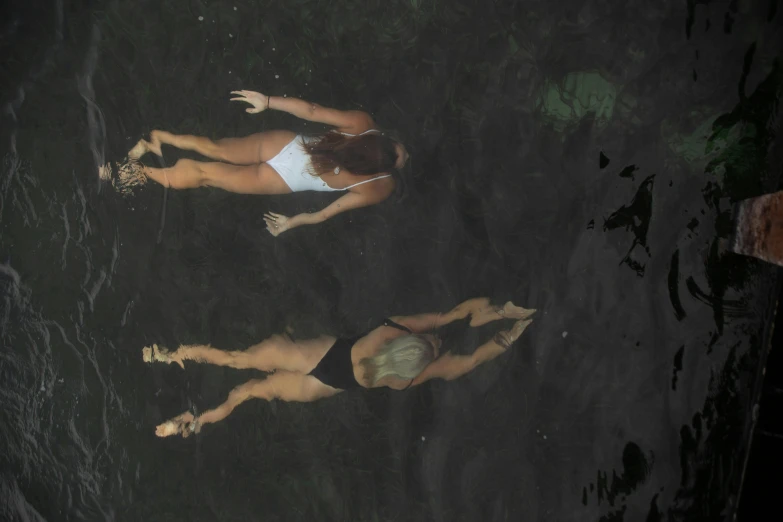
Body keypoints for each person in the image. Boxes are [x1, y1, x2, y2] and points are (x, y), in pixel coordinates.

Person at [144, 298, 536, 438]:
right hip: (324, 385)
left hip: (310, 356)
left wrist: (500, 309)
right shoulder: (404, 381)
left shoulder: (390, 331)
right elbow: (464, 363)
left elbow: (451, 315)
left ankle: (169, 354)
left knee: (235, 359)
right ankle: (195, 422)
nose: (437, 343)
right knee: (246, 393)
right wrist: (506, 338)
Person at [104, 90, 410, 236]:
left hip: (287, 143)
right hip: (285, 179)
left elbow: (312, 110)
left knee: (217, 148)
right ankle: (131, 173)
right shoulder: (379, 187)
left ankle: (157, 139)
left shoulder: (363, 123)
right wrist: (292, 222)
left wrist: (268, 101)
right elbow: (328, 213)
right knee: (207, 176)